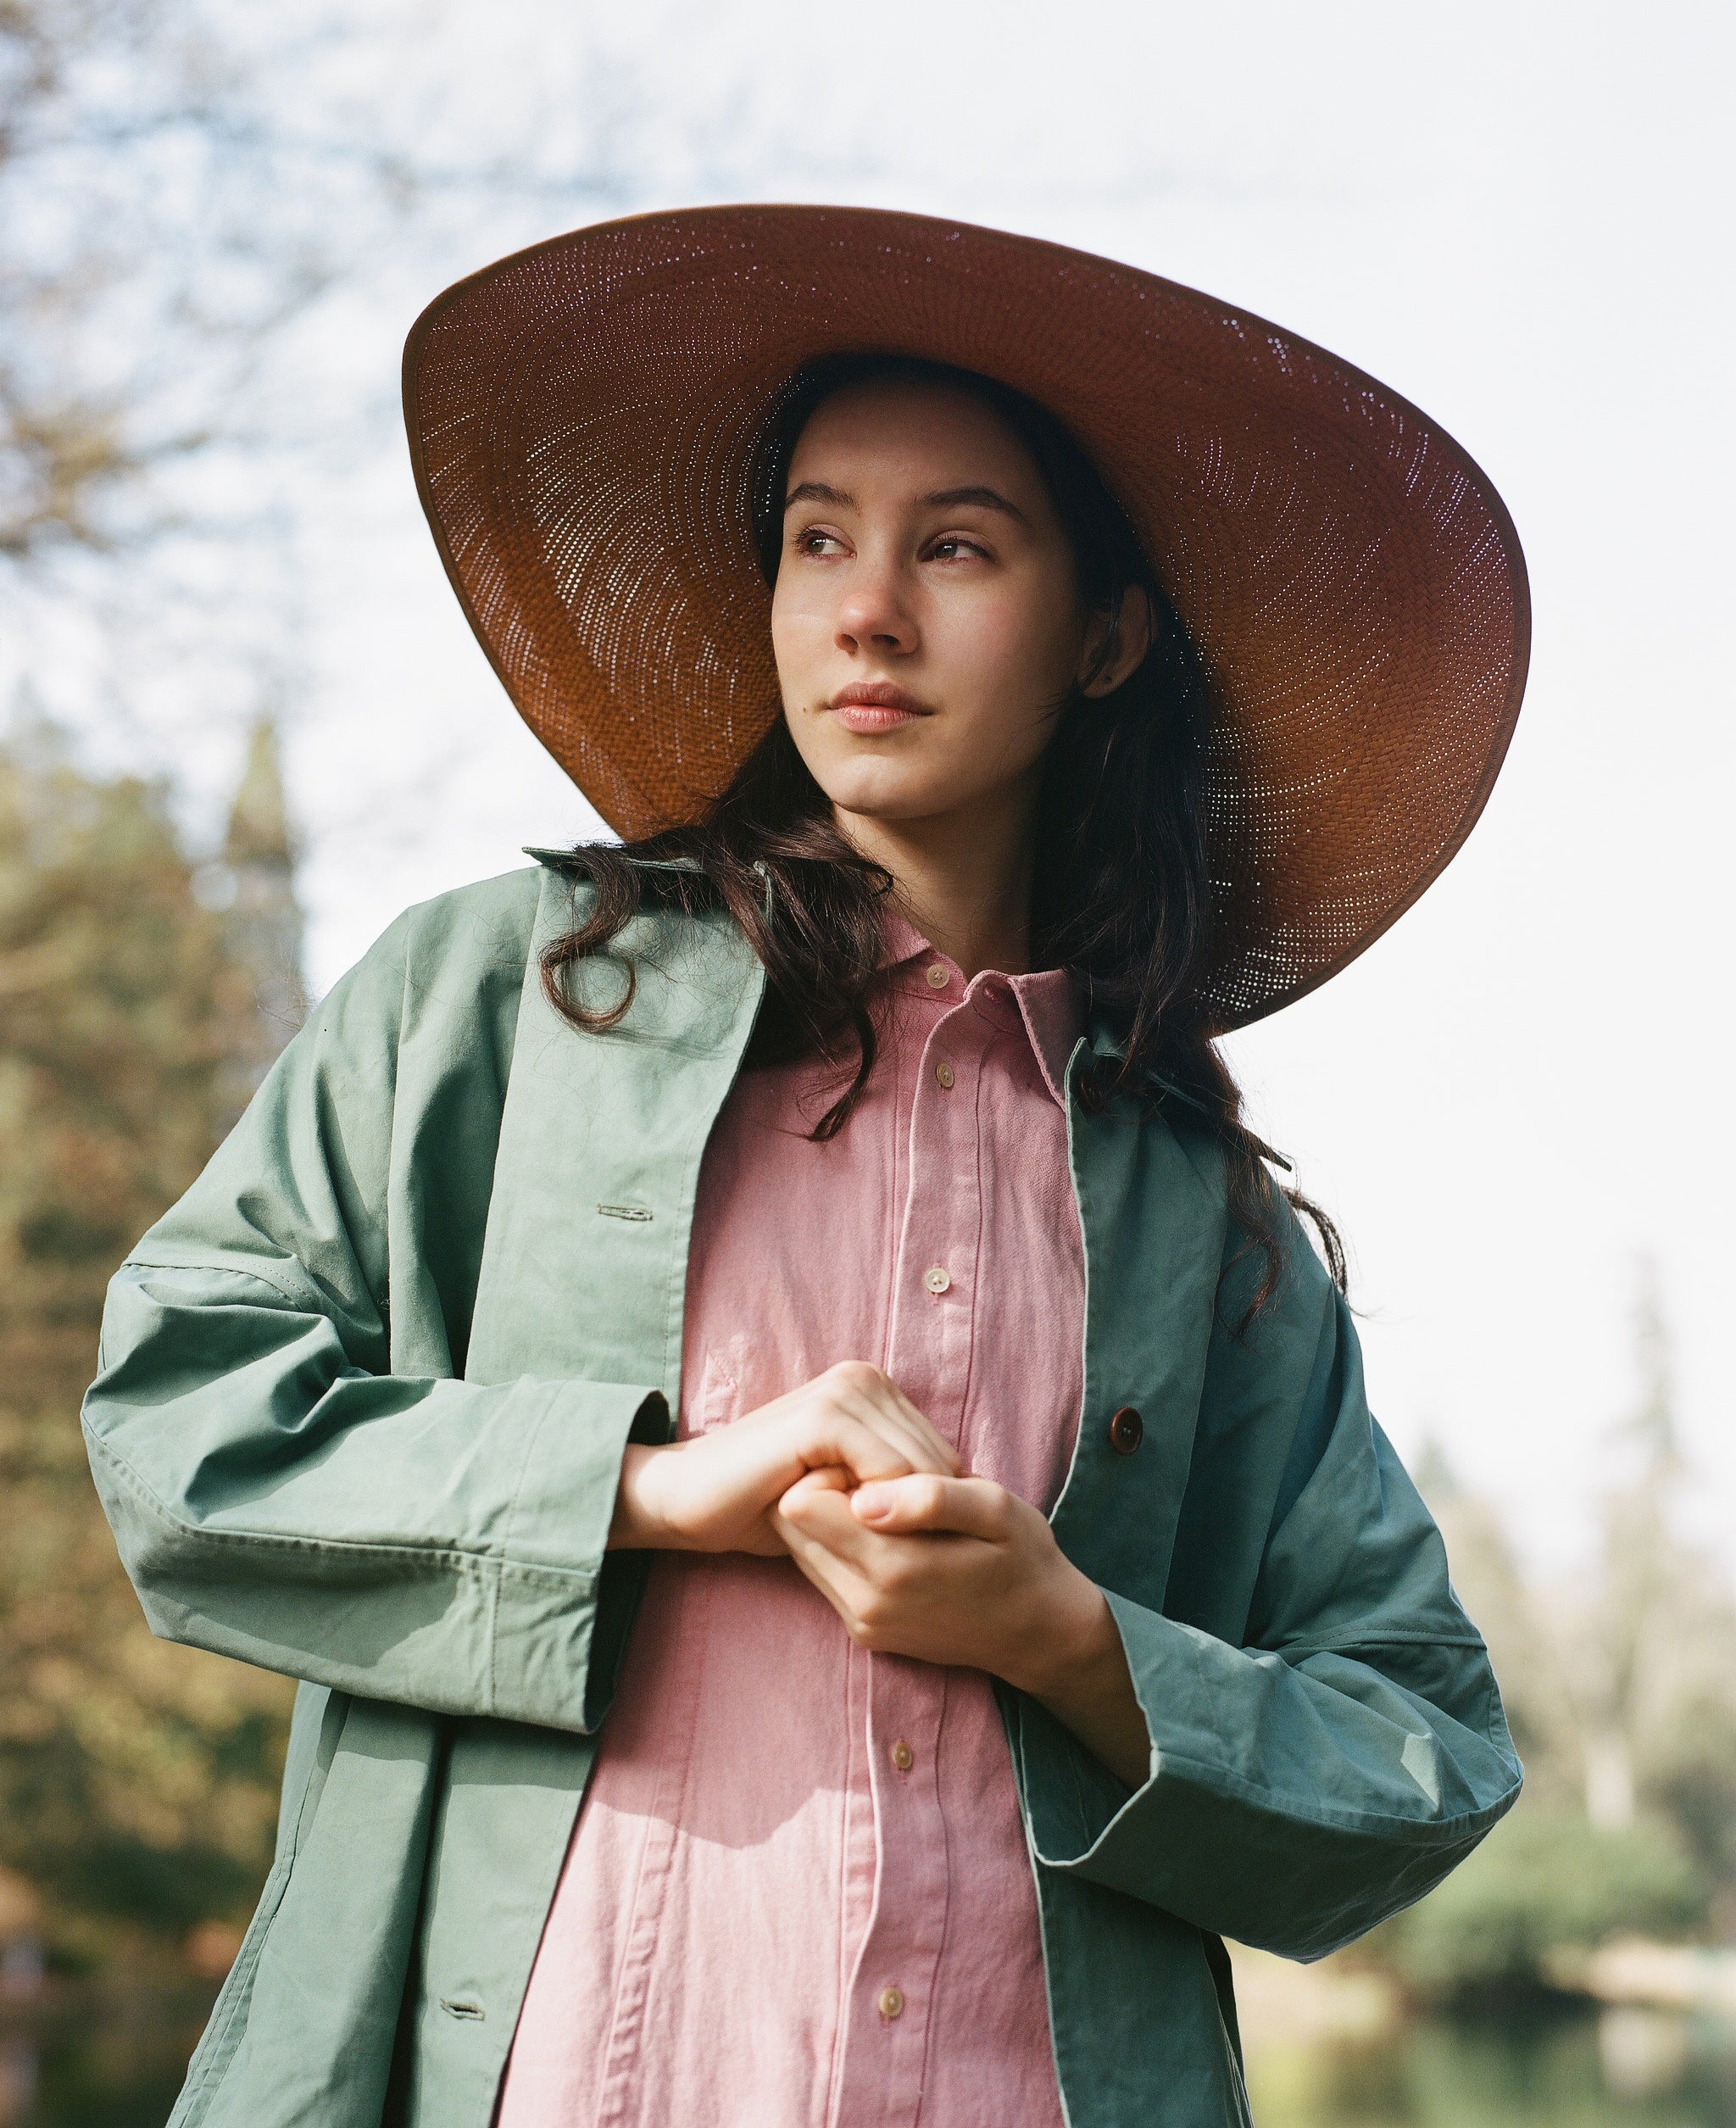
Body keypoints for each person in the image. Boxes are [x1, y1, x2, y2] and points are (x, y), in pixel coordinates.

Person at [84, 205, 1529, 2128]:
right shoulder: (505, 1006)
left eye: (956, 544)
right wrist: (659, 1487)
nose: (867, 608)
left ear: (1102, 635)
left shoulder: (1202, 1215)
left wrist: (1073, 1643)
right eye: (819, 537)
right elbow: (176, 1425)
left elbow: (1418, 1735)